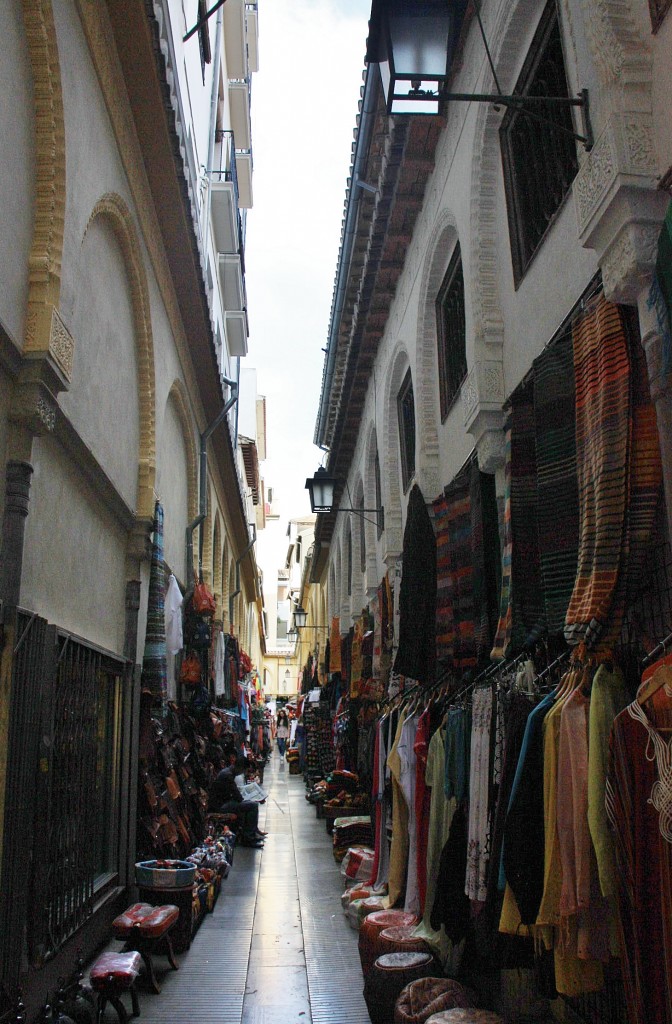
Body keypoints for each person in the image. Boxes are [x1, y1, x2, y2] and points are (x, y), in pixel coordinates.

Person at [208, 751, 267, 848]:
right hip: (221, 805)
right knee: (253, 806)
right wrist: (253, 798)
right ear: (240, 768)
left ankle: (252, 833)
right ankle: (248, 838)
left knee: (248, 804)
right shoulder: (228, 775)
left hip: (223, 801)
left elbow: (235, 793)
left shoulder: (227, 772)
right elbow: (238, 797)